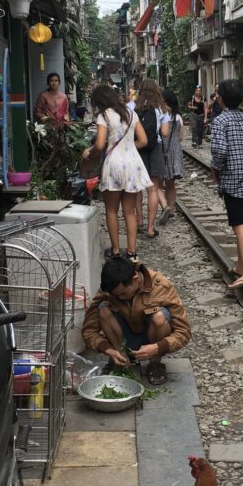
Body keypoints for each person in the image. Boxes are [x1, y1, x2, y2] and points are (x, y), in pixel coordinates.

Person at [83, 256, 191, 384]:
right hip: (123, 339)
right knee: (103, 309)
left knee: (159, 317)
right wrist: (108, 350)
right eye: (116, 295)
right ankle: (120, 360)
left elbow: (184, 332)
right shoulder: (109, 290)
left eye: (123, 293)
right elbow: (89, 331)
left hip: (152, 338)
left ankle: (155, 364)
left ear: (135, 279)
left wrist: (157, 348)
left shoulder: (161, 286)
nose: (120, 297)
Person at [82, 85, 151, 263]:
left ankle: (116, 251)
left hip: (113, 165)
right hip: (133, 165)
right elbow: (143, 141)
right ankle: (132, 253)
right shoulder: (130, 113)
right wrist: (127, 149)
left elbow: (99, 144)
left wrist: (89, 152)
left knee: (111, 210)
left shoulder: (103, 116)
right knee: (129, 211)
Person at [210, 79, 243, 289]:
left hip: (234, 180)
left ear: (221, 98)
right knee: (242, 223)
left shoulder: (221, 121)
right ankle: (241, 265)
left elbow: (220, 151)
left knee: (240, 227)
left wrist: (216, 168)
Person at [134, 78, 170, 239]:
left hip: (137, 148)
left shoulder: (132, 107)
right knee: (153, 189)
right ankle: (150, 228)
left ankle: (139, 222)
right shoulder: (162, 109)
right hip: (155, 148)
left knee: (137, 189)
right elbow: (165, 133)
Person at [160, 88, 185, 225]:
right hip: (174, 152)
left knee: (158, 183)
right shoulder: (178, 117)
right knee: (171, 184)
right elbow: (181, 137)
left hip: (161, 151)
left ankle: (165, 206)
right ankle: (170, 210)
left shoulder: (161, 116)